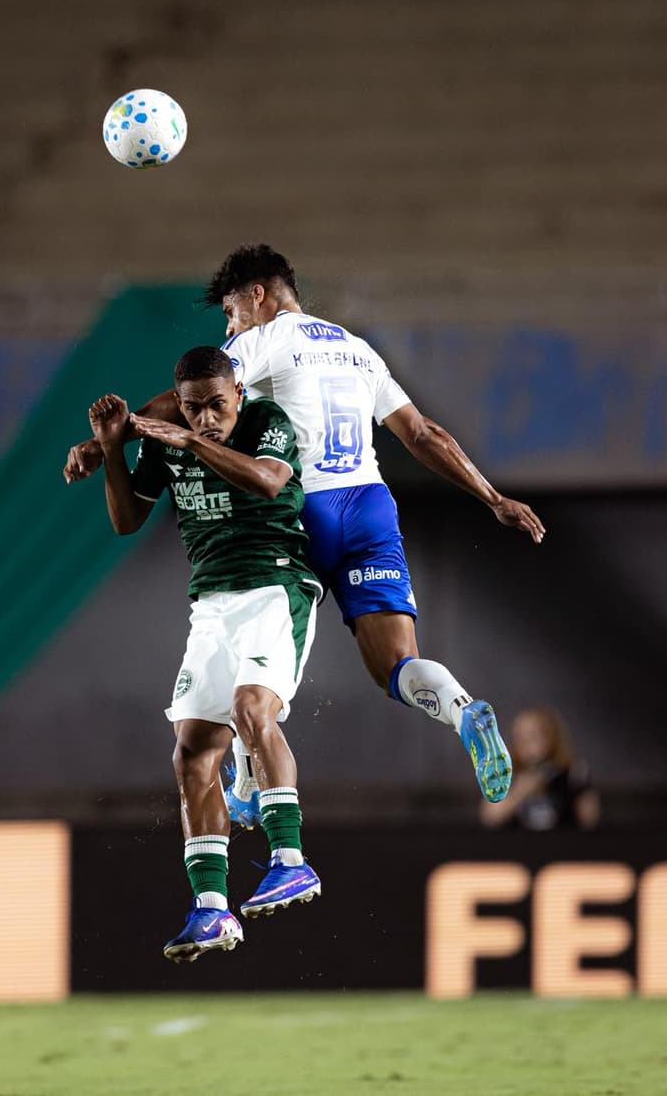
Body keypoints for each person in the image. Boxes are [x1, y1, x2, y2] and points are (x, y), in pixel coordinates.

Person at [65, 244, 546, 817]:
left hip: (301, 509)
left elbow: (194, 397)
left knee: (250, 637)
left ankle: (246, 783)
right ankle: (462, 708)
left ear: (256, 296)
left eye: (229, 312)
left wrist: (107, 441)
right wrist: (491, 496)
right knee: (395, 664)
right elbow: (421, 434)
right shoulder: (357, 349)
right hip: (369, 506)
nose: (228, 325)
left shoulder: (262, 338)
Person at [89, 345, 322, 962]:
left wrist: (191, 443)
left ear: (237, 392)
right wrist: (113, 449)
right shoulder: (169, 439)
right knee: (192, 750)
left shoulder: (264, 420)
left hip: (275, 588)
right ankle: (213, 909)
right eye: (193, 409)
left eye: (216, 404)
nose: (206, 418)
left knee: (252, 708)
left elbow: (270, 480)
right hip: (212, 605)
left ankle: (291, 860)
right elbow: (125, 521)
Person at [479, 706, 600, 831]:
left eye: (533, 737)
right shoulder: (507, 773)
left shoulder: (570, 772)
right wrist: (520, 792)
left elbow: (590, 820)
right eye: (520, 739)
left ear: (551, 737)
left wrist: (577, 786)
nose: (526, 746)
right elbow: (490, 817)